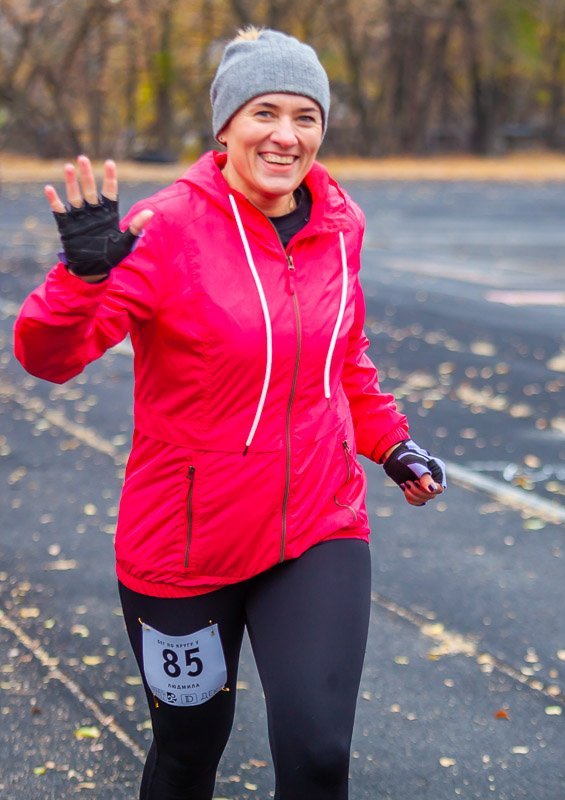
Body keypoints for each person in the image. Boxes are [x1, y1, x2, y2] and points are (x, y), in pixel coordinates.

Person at [13, 27, 447, 800]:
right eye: (265, 113)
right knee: (187, 756)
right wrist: (80, 276)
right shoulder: (163, 228)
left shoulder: (339, 225)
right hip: (182, 551)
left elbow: (342, 355)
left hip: (317, 524)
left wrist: (392, 443)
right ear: (225, 127)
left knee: (317, 755)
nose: (286, 136)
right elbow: (49, 358)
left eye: (305, 117)